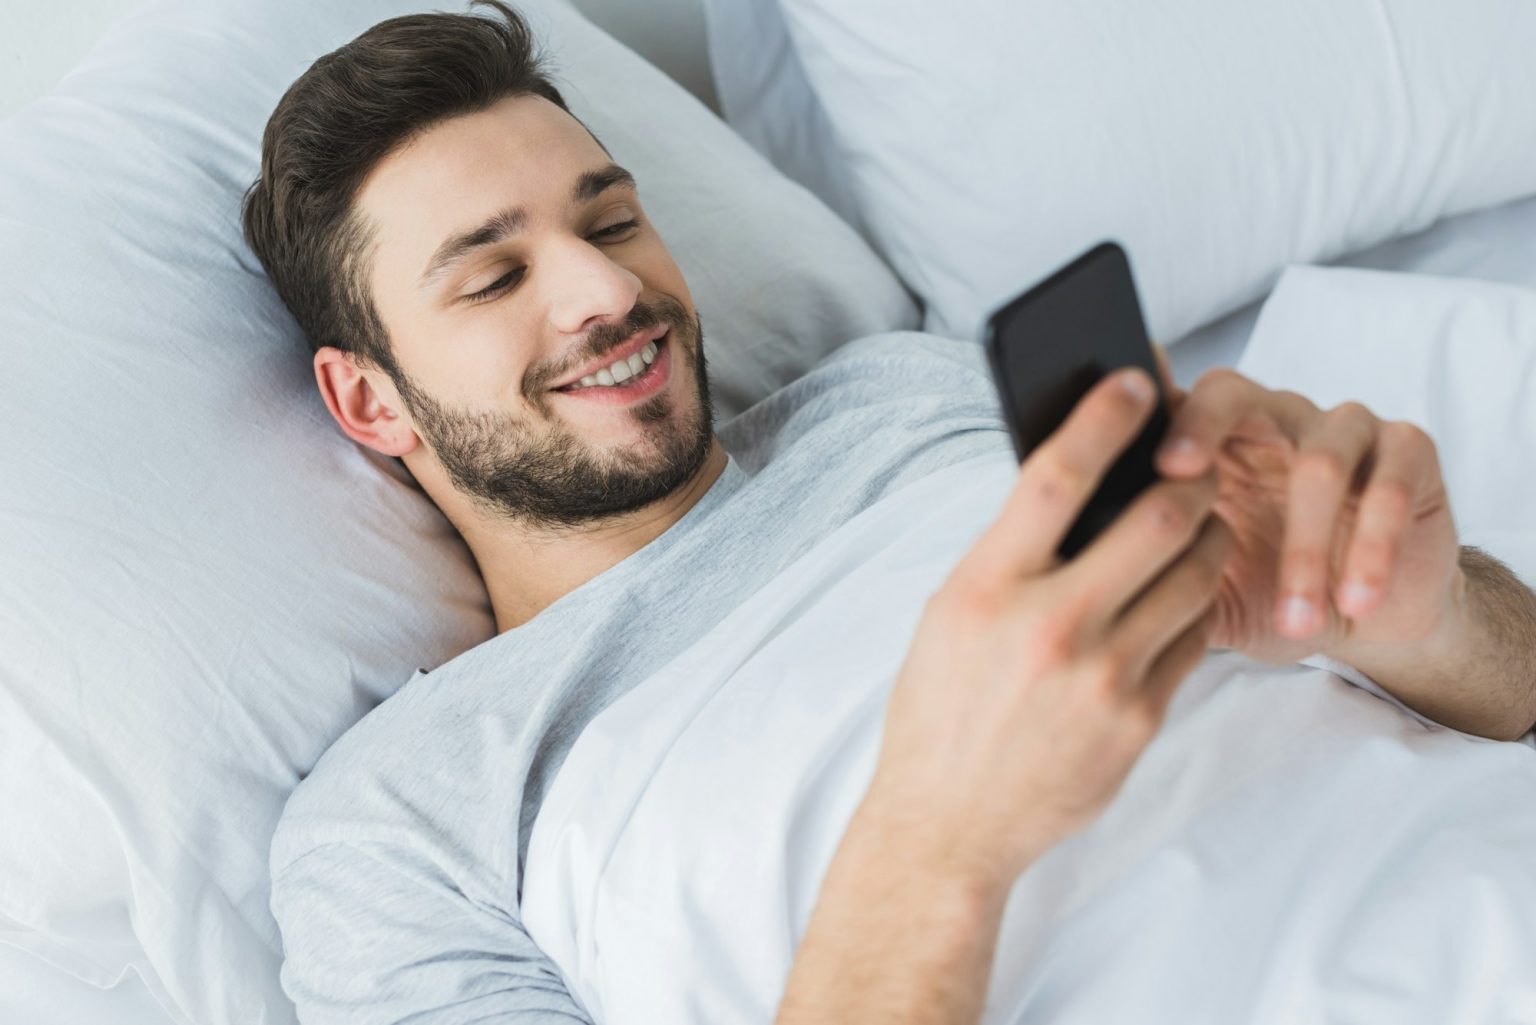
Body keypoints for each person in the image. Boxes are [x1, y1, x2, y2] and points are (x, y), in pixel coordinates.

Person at [239, 3, 1536, 1022]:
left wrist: (1425, 620)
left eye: (614, 218)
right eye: (496, 275)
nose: (604, 289)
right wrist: (941, 838)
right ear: (370, 402)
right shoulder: (402, 820)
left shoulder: (898, 395)